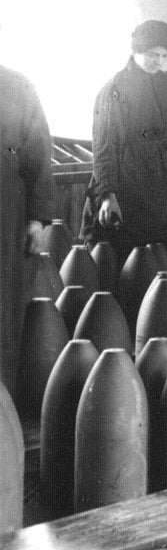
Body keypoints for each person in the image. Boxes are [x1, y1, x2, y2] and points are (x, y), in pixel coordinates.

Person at [90, 20, 167, 252]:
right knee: (127, 257)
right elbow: (103, 147)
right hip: (126, 182)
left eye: (165, 56)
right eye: (153, 54)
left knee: (163, 255)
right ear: (137, 50)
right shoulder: (114, 89)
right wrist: (106, 195)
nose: (159, 62)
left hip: (159, 182)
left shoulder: (166, 85)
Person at [1, 65, 59, 397]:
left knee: (5, 305)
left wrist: (38, 219)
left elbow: (40, 154)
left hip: (7, 207)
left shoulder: (18, 85)